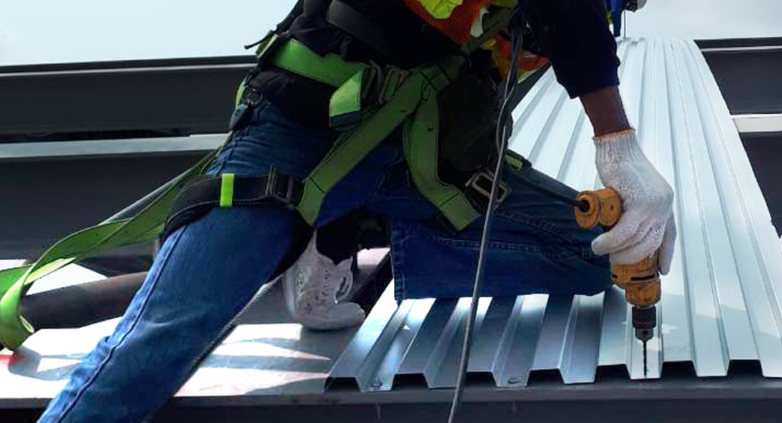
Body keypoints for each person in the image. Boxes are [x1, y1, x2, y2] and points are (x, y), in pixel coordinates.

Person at [37, 0, 675, 422]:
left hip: (420, 168)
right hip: (302, 135)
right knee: (162, 338)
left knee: (609, 249)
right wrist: (615, 141)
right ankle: (319, 232)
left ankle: (345, 237)